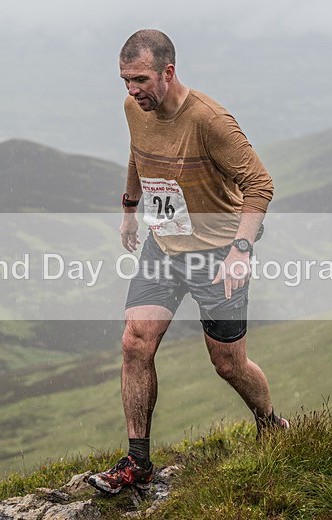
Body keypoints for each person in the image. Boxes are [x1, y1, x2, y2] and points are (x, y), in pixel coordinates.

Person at [87, 29, 288, 495]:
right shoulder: (134, 108)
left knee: (228, 364)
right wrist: (129, 209)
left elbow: (260, 184)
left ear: (168, 72)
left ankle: (271, 424)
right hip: (165, 245)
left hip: (217, 254)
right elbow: (139, 153)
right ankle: (138, 463)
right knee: (136, 341)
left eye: (139, 79)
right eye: (124, 81)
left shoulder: (210, 120)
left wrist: (241, 251)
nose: (131, 91)